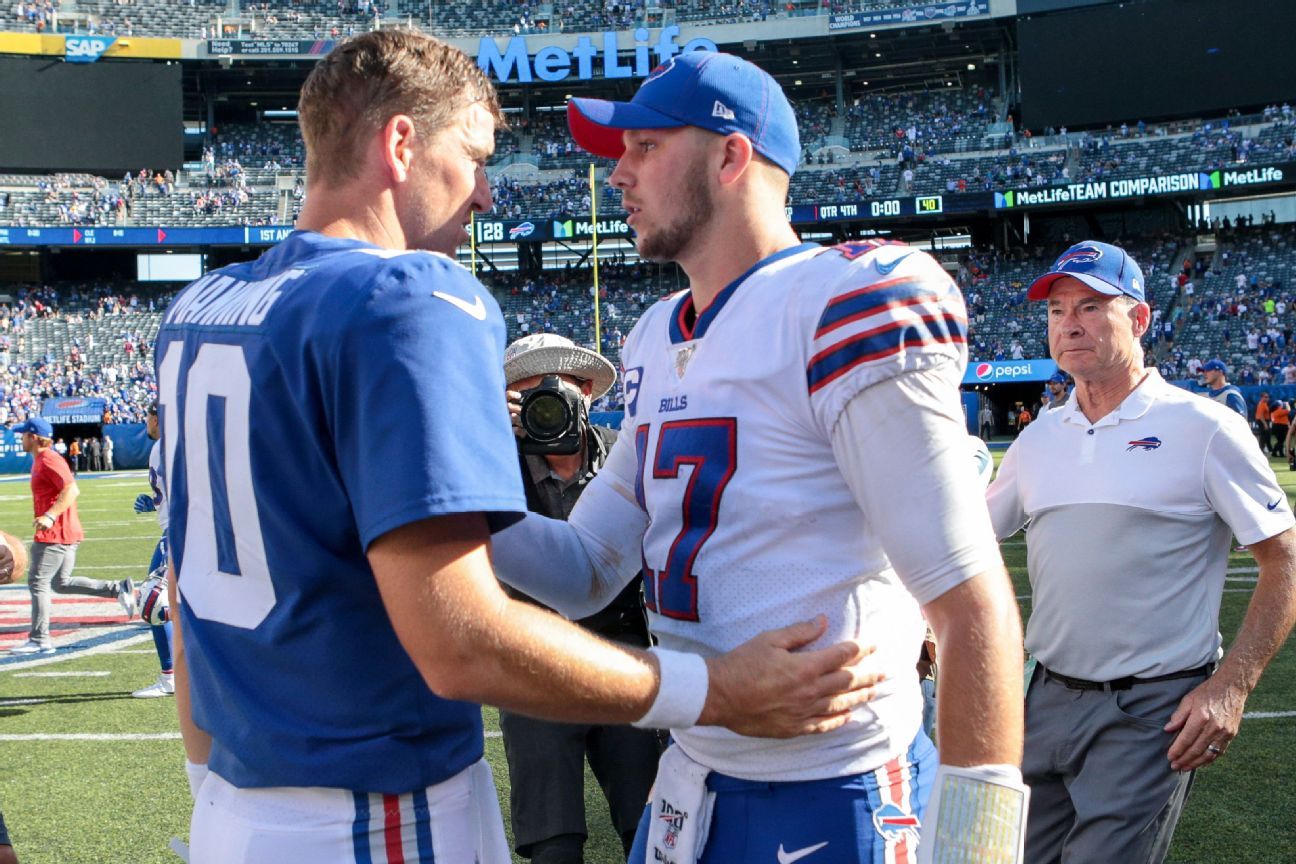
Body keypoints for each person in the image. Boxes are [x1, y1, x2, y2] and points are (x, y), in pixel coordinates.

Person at [158, 32, 874, 864]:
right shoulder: (407, 294)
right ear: (400, 145)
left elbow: (183, 583)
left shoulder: (199, 308)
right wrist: (713, 690)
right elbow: (463, 642)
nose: (486, 193)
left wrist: (205, 778)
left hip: (234, 806)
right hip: (373, 809)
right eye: (473, 155)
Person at [492, 50, 1025, 864]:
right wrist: (436, 501)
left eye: (645, 147)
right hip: (693, 774)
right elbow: (587, 566)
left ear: (731, 156)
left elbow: (970, 602)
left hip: (832, 784)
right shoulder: (656, 332)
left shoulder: (845, 302)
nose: (616, 175)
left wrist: (977, 848)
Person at [986, 240, 1296, 864]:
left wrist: (1231, 687)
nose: (1069, 323)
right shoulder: (1039, 438)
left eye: (1093, 305)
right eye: (1056, 311)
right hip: (1044, 697)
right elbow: (964, 543)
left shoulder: (1204, 427)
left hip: (1148, 709)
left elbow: (1284, 560)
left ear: (1141, 319)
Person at [500, 333, 664, 864]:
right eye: (528, 394)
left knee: (653, 826)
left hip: (622, 655)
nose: (546, 401)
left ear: (589, 392)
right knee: (553, 845)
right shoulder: (491, 468)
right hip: (533, 662)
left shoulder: (626, 456)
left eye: (559, 387)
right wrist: (482, 442)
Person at [9, 417, 135, 656]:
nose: (21, 438)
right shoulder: (42, 460)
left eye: (23, 434)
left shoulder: (49, 459)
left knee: (38, 583)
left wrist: (49, 515)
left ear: (34, 437)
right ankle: (118, 589)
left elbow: (72, 489)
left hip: (55, 534)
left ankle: (40, 639)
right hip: (65, 532)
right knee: (61, 583)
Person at [129, 402, 175, 698]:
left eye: (148, 415)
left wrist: (172, 538)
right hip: (181, 530)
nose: (146, 421)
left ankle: (169, 676)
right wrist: (155, 502)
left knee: (154, 601)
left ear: (157, 417)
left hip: (179, 533)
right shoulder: (172, 444)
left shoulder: (165, 446)